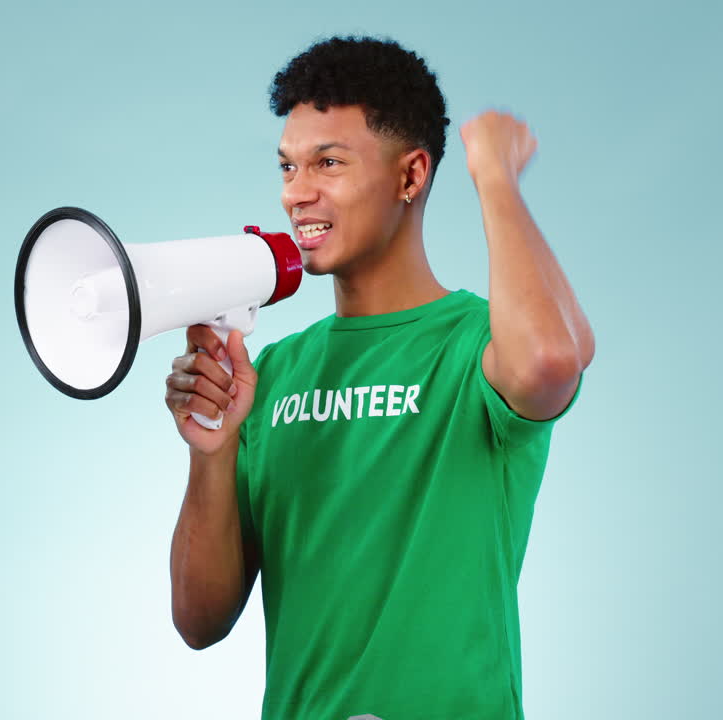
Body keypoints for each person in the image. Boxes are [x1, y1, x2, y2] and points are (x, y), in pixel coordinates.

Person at [165, 36, 594, 720]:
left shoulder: (479, 346)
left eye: (327, 163)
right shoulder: (271, 373)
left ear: (411, 175)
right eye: (287, 167)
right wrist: (210, 451)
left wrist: (493, 177)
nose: (295, 194)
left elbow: (551, 360)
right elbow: (199, 621)